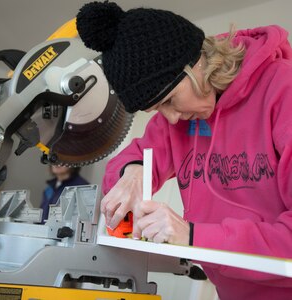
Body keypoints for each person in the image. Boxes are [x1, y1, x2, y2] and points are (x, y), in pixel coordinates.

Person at [76, 2, 292, 300]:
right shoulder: (180, 117)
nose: (171, 118)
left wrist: (193, 237)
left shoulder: (283, 91)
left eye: (169, 100)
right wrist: (134, 172)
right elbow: (131, 158)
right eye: (156, 109)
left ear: (196, 64)